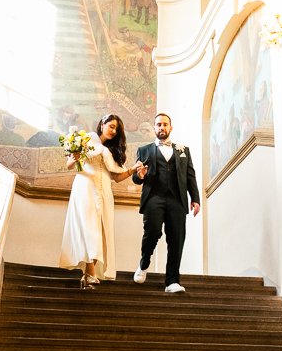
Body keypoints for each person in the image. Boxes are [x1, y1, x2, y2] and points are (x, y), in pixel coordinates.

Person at [60, 114, 143, 290]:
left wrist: (132, 169)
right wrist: (74, 157)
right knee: (89, 228)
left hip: (104, 190)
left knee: (101, 230)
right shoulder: (87, 139)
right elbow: (69, 165)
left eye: (116, 129)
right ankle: (90, 273)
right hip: (85, 187)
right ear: (102, 124)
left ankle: (88, 274)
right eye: (111, 126)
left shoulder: (111, 150)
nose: (113, 131)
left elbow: (117, 177)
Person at [132, 112, 201, 294]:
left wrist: (195, 198)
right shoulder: (144, 150)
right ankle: (144, 263)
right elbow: (136, 178)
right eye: (159, 124)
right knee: (152, 232)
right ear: (154, 128)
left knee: (177, 239)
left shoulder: (183, 150)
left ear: (170, 127)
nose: (162, 127)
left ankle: (172, 281)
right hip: (153, 197)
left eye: (165, 124)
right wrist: (140, 176)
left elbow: (190, 176)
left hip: (177, 199)